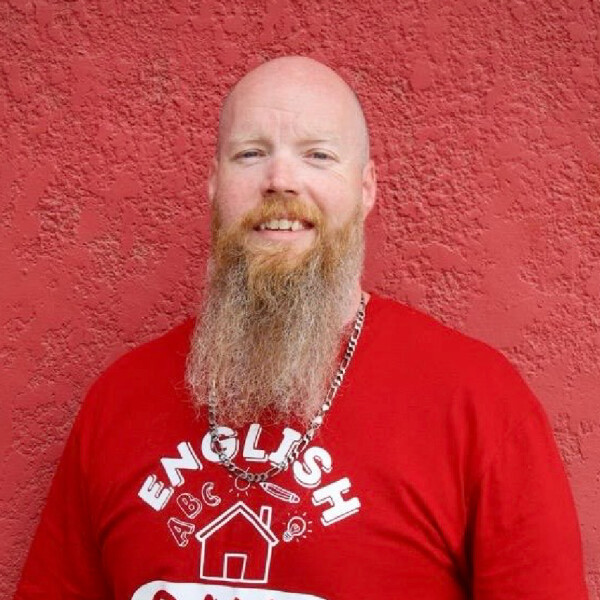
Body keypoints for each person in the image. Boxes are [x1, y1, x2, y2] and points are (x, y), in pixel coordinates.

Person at [15, 56, 588, 600]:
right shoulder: (120, 398)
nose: (280, 179)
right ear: (214, 185)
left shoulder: (477, 402)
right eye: (250, 154)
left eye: (318, 155)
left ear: (366, 188)